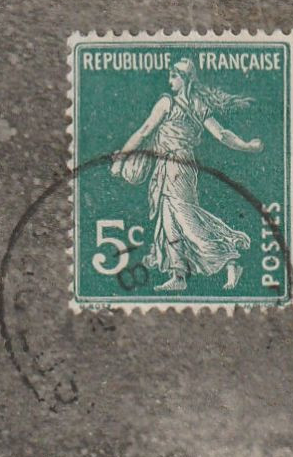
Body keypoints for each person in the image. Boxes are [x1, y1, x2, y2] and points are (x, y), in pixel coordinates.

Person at [110, 58, 264, 292]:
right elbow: (222, 134)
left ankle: (230, 258)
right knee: (170, 223)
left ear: (186, 80)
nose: (169, 80)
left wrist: (121, 158)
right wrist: (246, 146)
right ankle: (178, 276)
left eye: (174, 75)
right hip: (173, 166)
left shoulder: (167, 102)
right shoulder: (197, 105)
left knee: (186, 220)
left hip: (177, 167)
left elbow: (144, 131)